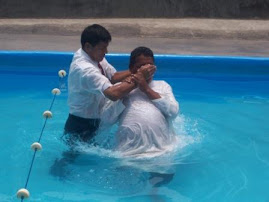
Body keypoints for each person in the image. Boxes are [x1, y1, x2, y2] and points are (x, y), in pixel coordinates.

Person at [63, 24, 156, 145]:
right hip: (81, 124)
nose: (106, 52)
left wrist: (136, 69)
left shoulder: (93, 55)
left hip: (96, 119)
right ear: (88, 46)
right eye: (102, 48)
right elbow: (113, 94)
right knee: (71, 159)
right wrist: (140, 78)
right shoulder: (84, 69)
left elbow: (113, 77)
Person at [115, 46, 179, 158]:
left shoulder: (162, 86)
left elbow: (173, 113)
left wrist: (146, 89)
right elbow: (106, 119)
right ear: (131, 68)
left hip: (162, 151)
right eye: (141, 67)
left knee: (163, 175)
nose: (146, 71)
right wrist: (124, 92)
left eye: (149, 66)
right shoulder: (119, 89)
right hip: (127, 152)